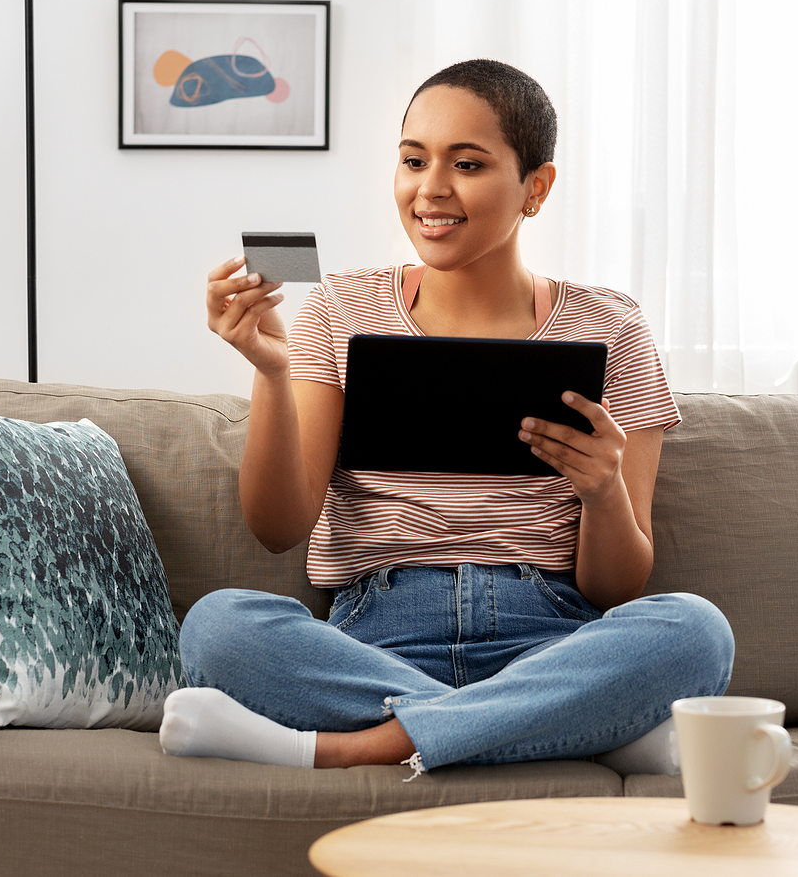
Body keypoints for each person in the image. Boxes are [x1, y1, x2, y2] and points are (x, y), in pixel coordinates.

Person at [163, 59, 733, 776]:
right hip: (375, 639)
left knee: (696, 631)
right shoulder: (340, 307)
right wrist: (272, 372)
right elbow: (278, 529)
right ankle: (562, 725)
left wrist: (601, 488)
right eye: (412, 160)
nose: (430, 188)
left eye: (467, 163)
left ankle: (372, 744)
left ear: (536, 186)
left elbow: (616, 591)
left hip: (550, 635)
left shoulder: (611, 326)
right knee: (217, 626)